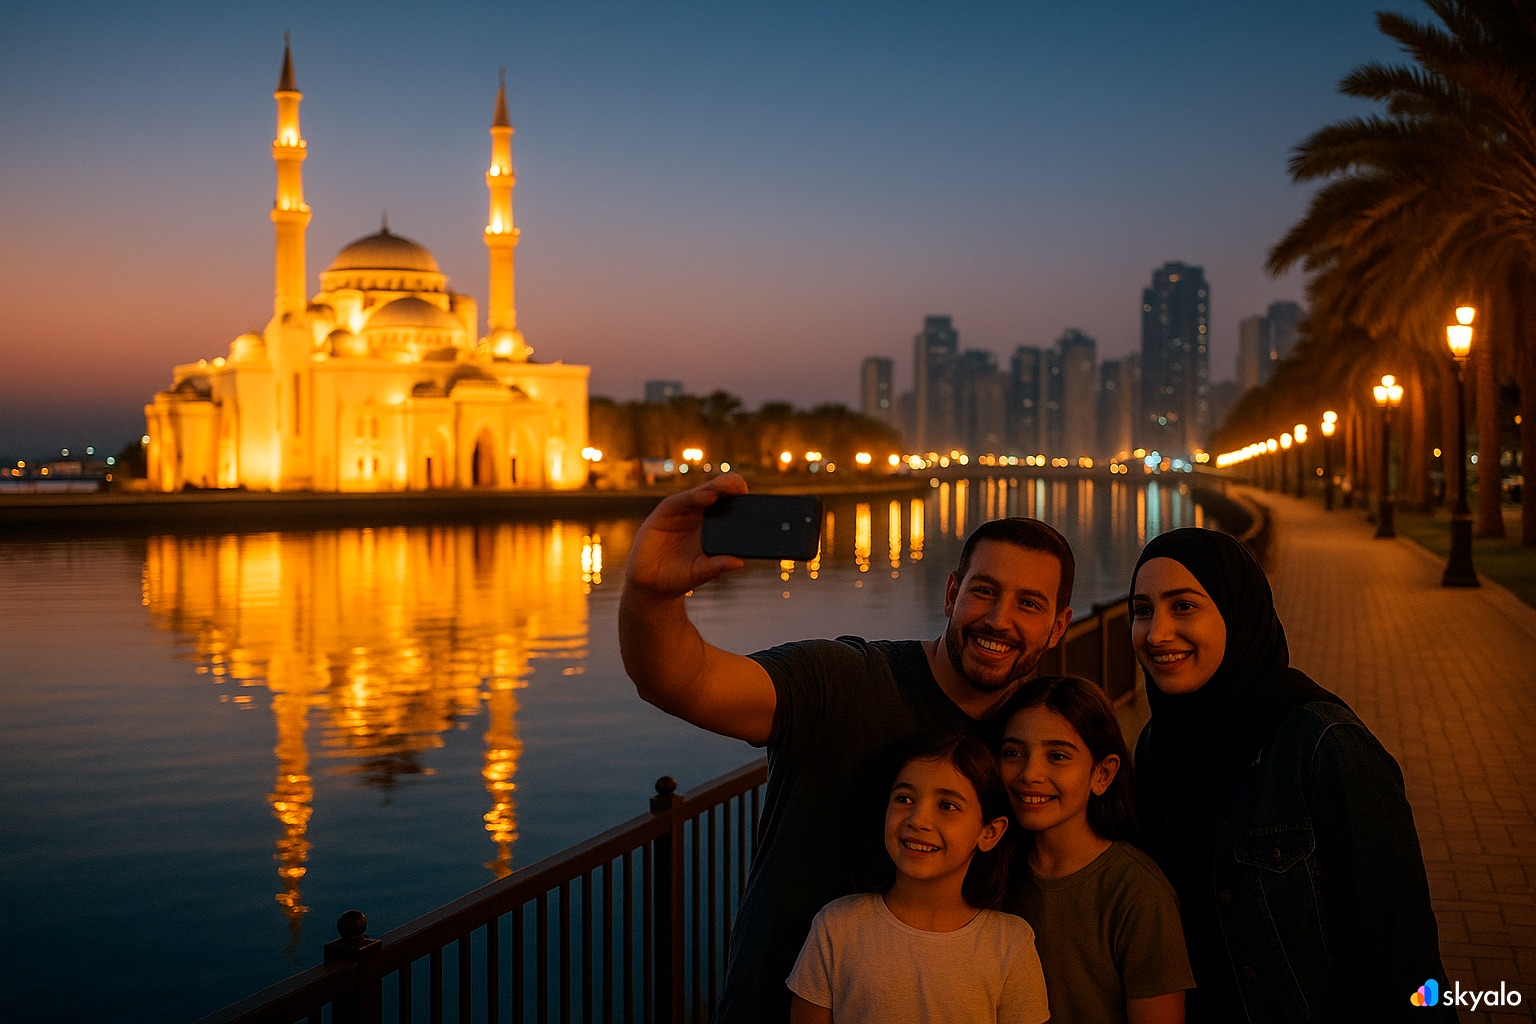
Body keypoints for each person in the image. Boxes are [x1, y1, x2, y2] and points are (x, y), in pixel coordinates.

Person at [619, 472, 1075, 1023]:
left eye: (1029, 604)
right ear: (952, 593)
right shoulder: (845, 681)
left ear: (1058, 627)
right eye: (984, 591)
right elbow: (683, 682)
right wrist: (651, 596)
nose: (999, 619)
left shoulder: (1028, 745)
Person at [1129, 528, 1455, 1023]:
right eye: (1142, 610)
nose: (1156, 633)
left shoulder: (1323, 746)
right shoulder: (1158, 745)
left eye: (1184, 607)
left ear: (1237, 614)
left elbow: (1404, 958)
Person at [786, 732, 1050, 1024]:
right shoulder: (836, 927)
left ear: (989, 832)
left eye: (947, 806)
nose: (917, 819)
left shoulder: (1009, 944)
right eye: (904, 798)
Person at [997, 676, 1194, 1024]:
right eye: (1013, 752)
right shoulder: (995, 873)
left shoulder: (1137, 893)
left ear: (1102, 774)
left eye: (1057, 756)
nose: (1030, 773)